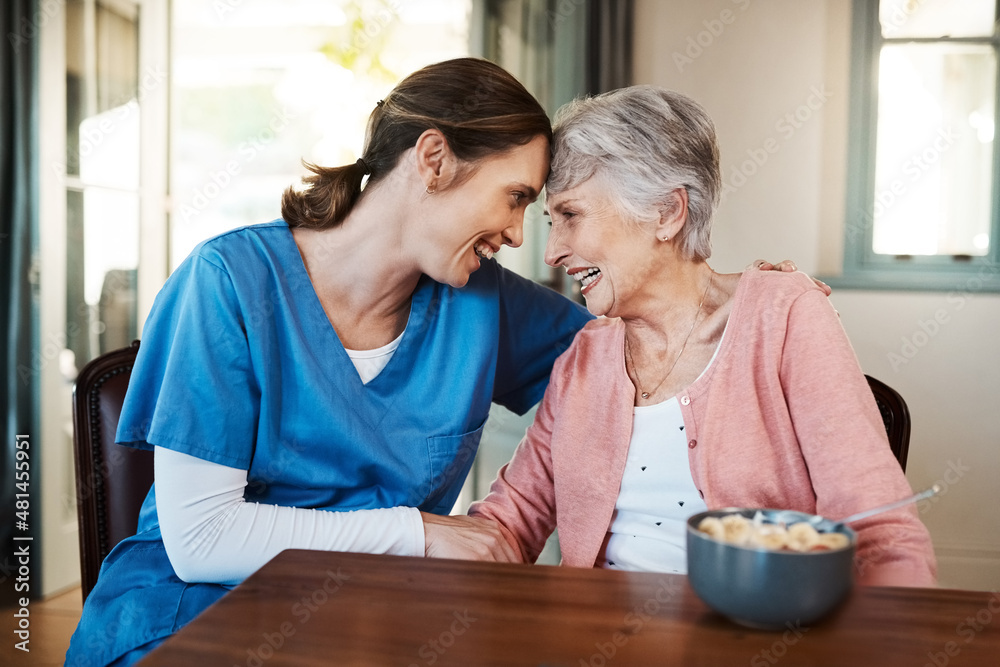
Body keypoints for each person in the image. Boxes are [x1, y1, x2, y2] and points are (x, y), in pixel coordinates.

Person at [65, 57, 595, 667]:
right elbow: (201, 540)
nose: (518, 234)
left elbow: (632, 360)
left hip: (368, 619)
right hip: (191, 614)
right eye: (515, 197)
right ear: (434, 159)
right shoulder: (230, 283)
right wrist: (420, 533)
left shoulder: (483, 301)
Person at [468, 85, 937, 587]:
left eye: (571, 216)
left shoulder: (784, 317)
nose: (552, 251)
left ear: (667, 213)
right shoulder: (586, 356)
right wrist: (401, 540)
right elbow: (507, 525)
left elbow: (882, 535)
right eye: (550, 220)